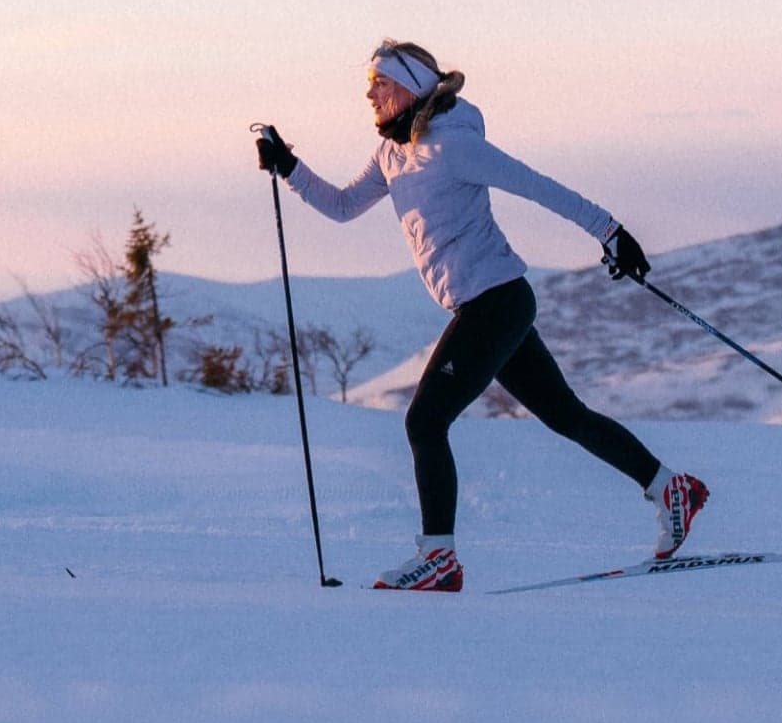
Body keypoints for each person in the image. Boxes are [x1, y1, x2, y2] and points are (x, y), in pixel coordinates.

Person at [252, 40, 708, 592]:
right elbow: (344, 207)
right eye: (369, 84)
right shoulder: (393, 154)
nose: (370, 93)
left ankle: (438, 557)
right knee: (567, 416)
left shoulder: (453, 146)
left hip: (496, 304)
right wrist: (290, 167)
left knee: (424, 421)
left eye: (381, 83)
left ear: (413, 88)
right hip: (490, 304)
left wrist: (611, 232)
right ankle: (669, 488)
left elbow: (539, 187)